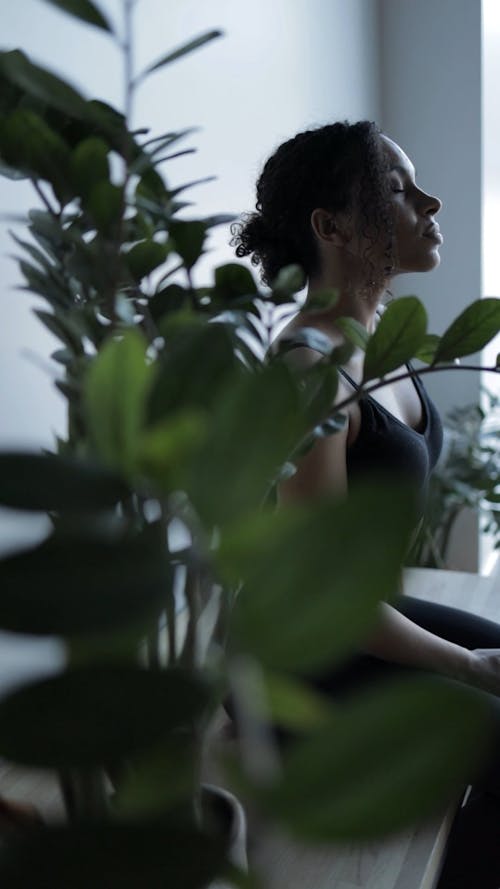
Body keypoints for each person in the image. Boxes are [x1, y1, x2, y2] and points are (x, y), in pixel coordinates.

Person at [231, 120, 500, 888]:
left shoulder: (375, 345)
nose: (430, 200)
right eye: (395, 188)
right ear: (331, 226)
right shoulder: (308, 369)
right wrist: (472, 667)